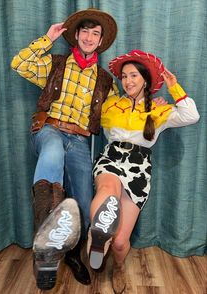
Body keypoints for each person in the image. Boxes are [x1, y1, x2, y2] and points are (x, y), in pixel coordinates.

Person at [11, 8, 119, 290]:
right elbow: (19, 64)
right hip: (49, 129)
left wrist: (147, 106)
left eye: (95, 33)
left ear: (100, 41)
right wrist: (47, 38)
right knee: (52, 153)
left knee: (83, 203)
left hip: (80, 140)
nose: (89, 36)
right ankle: (46, 247)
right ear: (76, 36)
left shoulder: (106, 81)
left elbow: (119, 111)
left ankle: (70, 253)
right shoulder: (56, 64)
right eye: (85, 31)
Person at [86, 49, 200, 293]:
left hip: (139, 168)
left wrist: (173, 86)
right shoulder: (111, 104)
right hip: (112, 158)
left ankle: (118, 266)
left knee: (119, 243)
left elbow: (192, 115)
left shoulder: (158, 110)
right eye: (124, 76)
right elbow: (87, 117)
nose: (127, 81)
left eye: (133, 76)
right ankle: (98, 233)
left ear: (145, 80)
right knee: (108, 188)